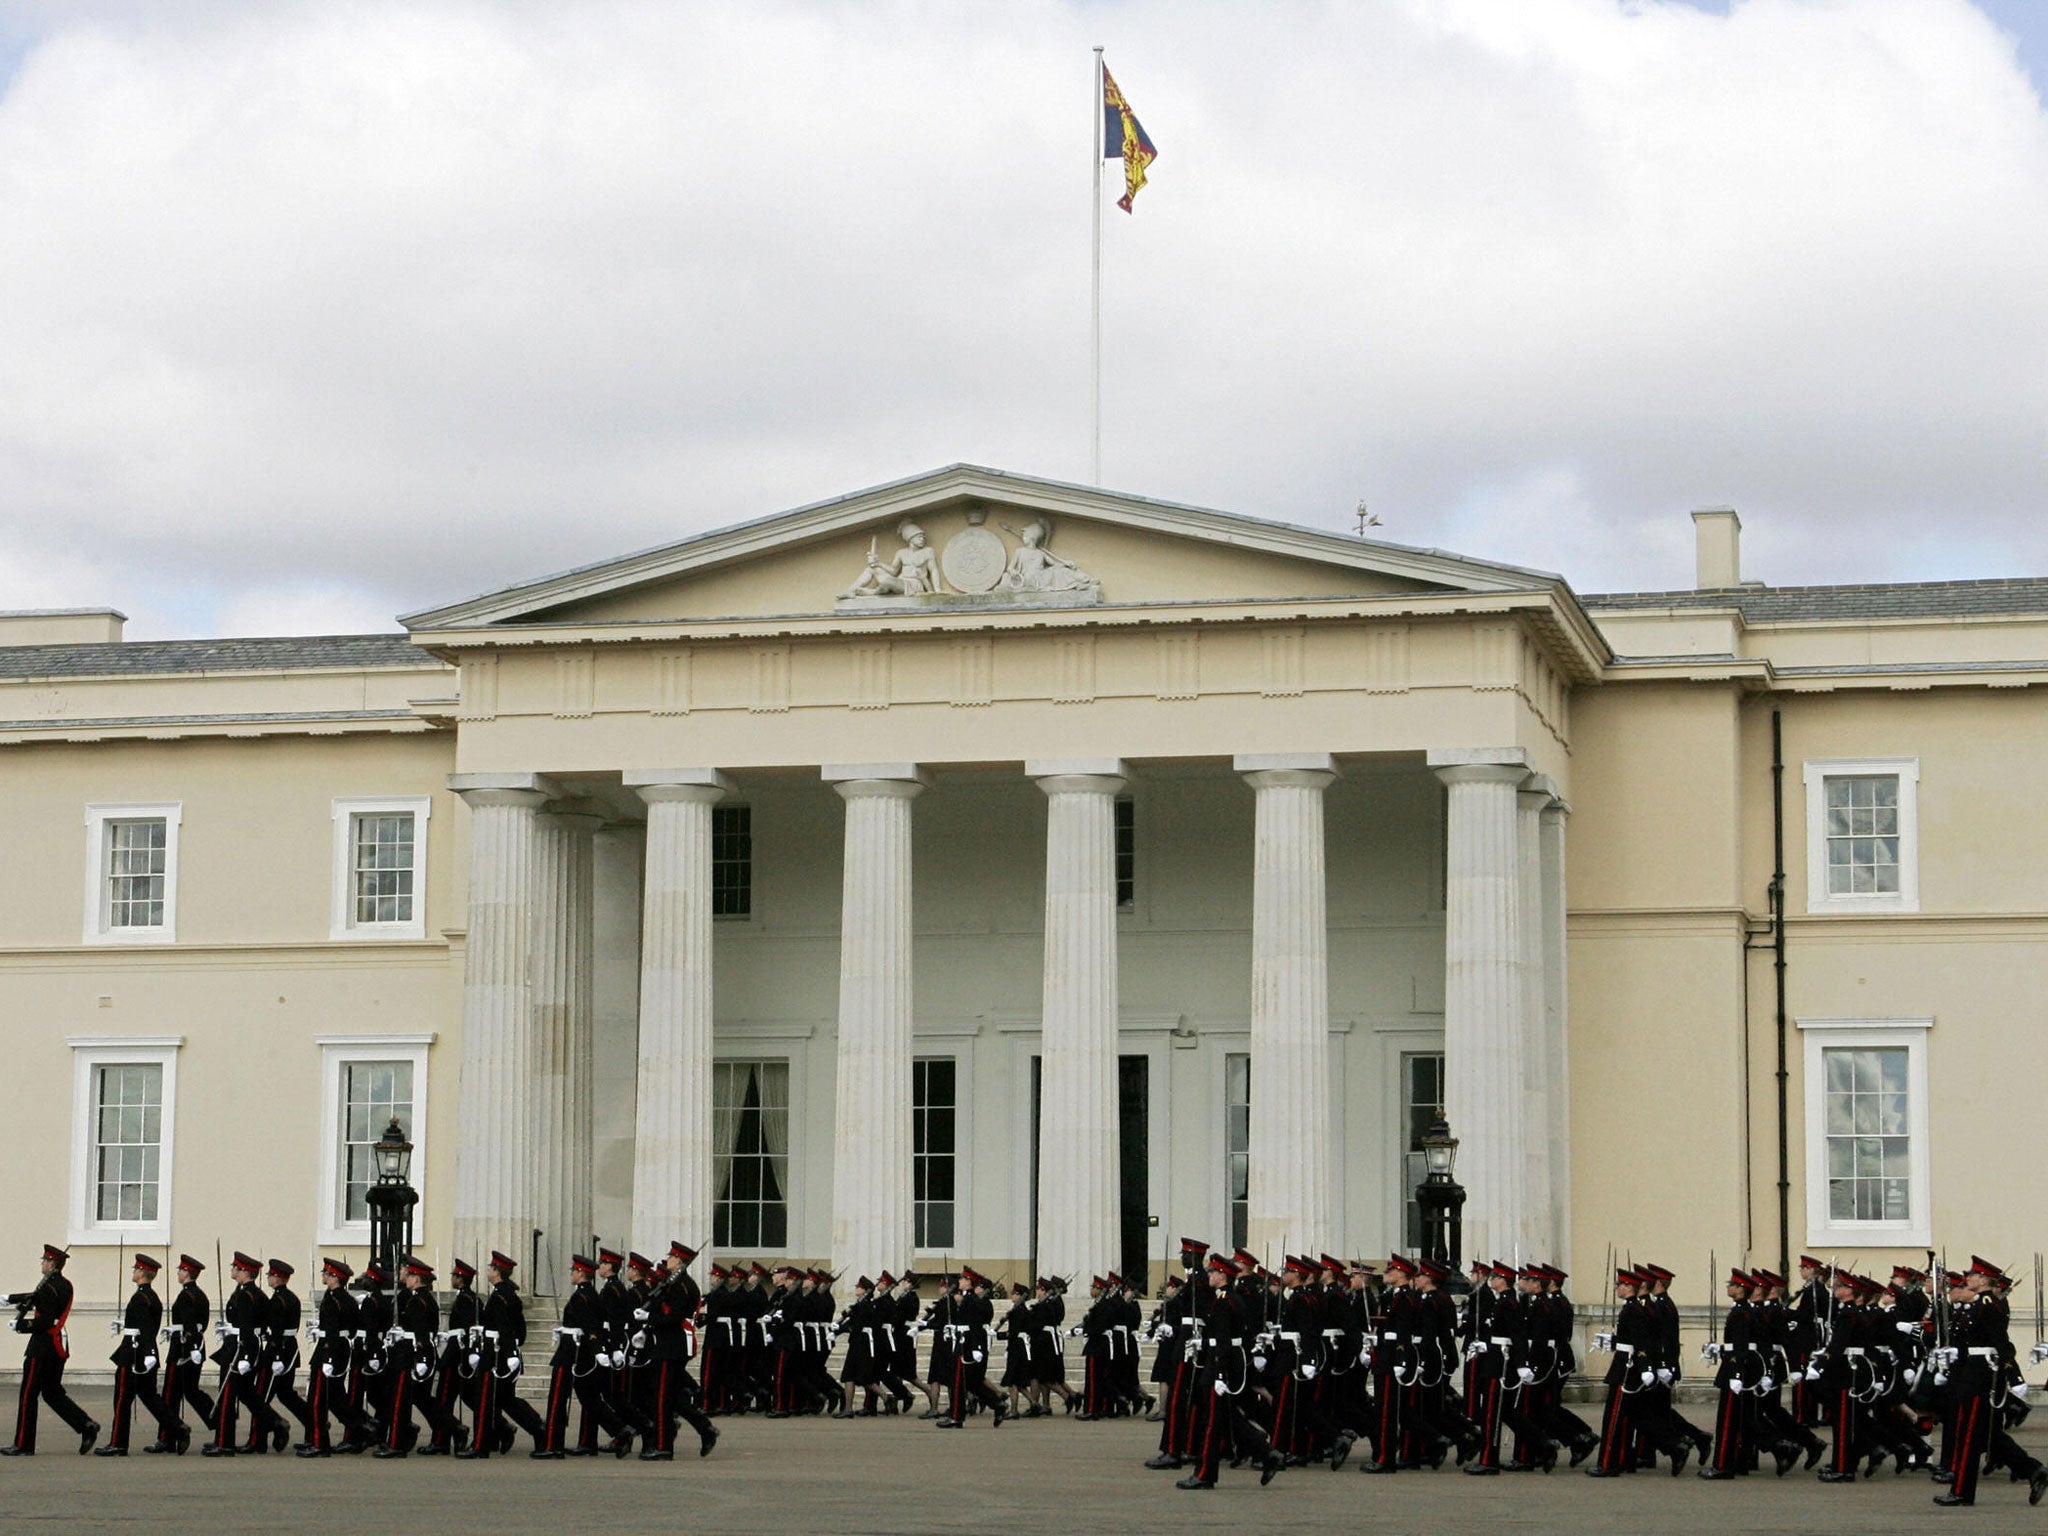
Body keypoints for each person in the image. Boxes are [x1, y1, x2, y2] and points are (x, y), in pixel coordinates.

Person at [534, 1254, 630, 1458]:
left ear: (580, 1273)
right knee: (589, 1398)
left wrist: (598, 1350)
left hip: (572, 1353)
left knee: (558, 1399)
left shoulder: (583, 1297)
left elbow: (591, 1327)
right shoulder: (587, 1294)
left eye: (573, 1271)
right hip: (577, 1350)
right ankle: (620, 1430)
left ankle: (553, 1445)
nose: (571, 1274)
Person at [460, 1250, 548, 1458]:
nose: (488, 1271)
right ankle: (538, 1428)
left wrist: (508, 1353)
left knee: (483, 1398)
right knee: (506, 1400)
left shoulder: (500, 1296)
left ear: (497, 1272)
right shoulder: (507, 1294)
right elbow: (519, 1330)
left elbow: (505, 1328)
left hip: (495, 1356)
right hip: (501, 1352)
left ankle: (480, 1445)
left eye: (491, 1268)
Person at [379, 1255, 468, 1458]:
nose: (406, 1278)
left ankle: (397, 1444)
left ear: (417, 1278)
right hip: (412, 1351)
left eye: (409, 1275)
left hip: (413, 1354)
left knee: (401, 1400)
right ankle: (454, 1428)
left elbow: (421, 1333)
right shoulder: (418, 1298)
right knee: (422, 1399)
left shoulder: (419, 1300)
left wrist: (421, 1359)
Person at [97, 1253, 172, 1456]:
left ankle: (118, 1443)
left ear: (141, 1273)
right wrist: (125, 1324)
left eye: (136, 1269)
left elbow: (146, 1328)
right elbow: (141, 1323)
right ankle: (176, 1427)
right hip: (139, 1349)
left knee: (122, 1398)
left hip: (133, 1352)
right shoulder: (149, 1296)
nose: (134, 1272)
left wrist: (149, 1352)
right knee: (148, 1395)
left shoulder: (141, 1297)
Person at [296, 1256, 370, 1456]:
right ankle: (363, 1429)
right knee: (337, 1399)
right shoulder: (346, 1300)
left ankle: (320, 1443)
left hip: (329, 1351)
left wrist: (328, 1357)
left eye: (326, 1273)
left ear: (335, 1277)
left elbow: (333, 1330)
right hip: (340, 1349)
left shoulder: (334, 1300)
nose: (324, 1276)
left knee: (318, 1399)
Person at [148, 1254, 213, 1454]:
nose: (178, 1272)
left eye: (180, 1270)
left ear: (187, 1273)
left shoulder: (187, 1296)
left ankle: (168, 1437)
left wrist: (190, 1345)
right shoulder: (199, 1294)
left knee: (170, 1393)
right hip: (192, 1346)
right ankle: (218, 1419)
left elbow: (190, 1324)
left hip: (183, 1350)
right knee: (190, 1390)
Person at [202, 1252, 265, 1457]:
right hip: (236, 1343)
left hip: (240, 1348)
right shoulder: (244, 1292)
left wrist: (245, 1356)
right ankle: (273, 1422)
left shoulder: (247, 1296)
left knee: (228, 1395)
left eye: (235, 1268)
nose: (232, 1270)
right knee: (244, 1393)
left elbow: (248, 1327)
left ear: (244, 1272)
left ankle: (225, 1442)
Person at [239, 1259, 299, 1454]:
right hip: (287, 1348)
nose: (268, 1279)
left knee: (260, 1397)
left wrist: (276, 1356)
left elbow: (278, 1330)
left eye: (271, 1276)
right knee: (285, 1394)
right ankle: (315, 1426)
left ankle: (258, 1439)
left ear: (278, 1278)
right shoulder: (290, 1297)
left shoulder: (278, 1300)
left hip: (277, 1352)